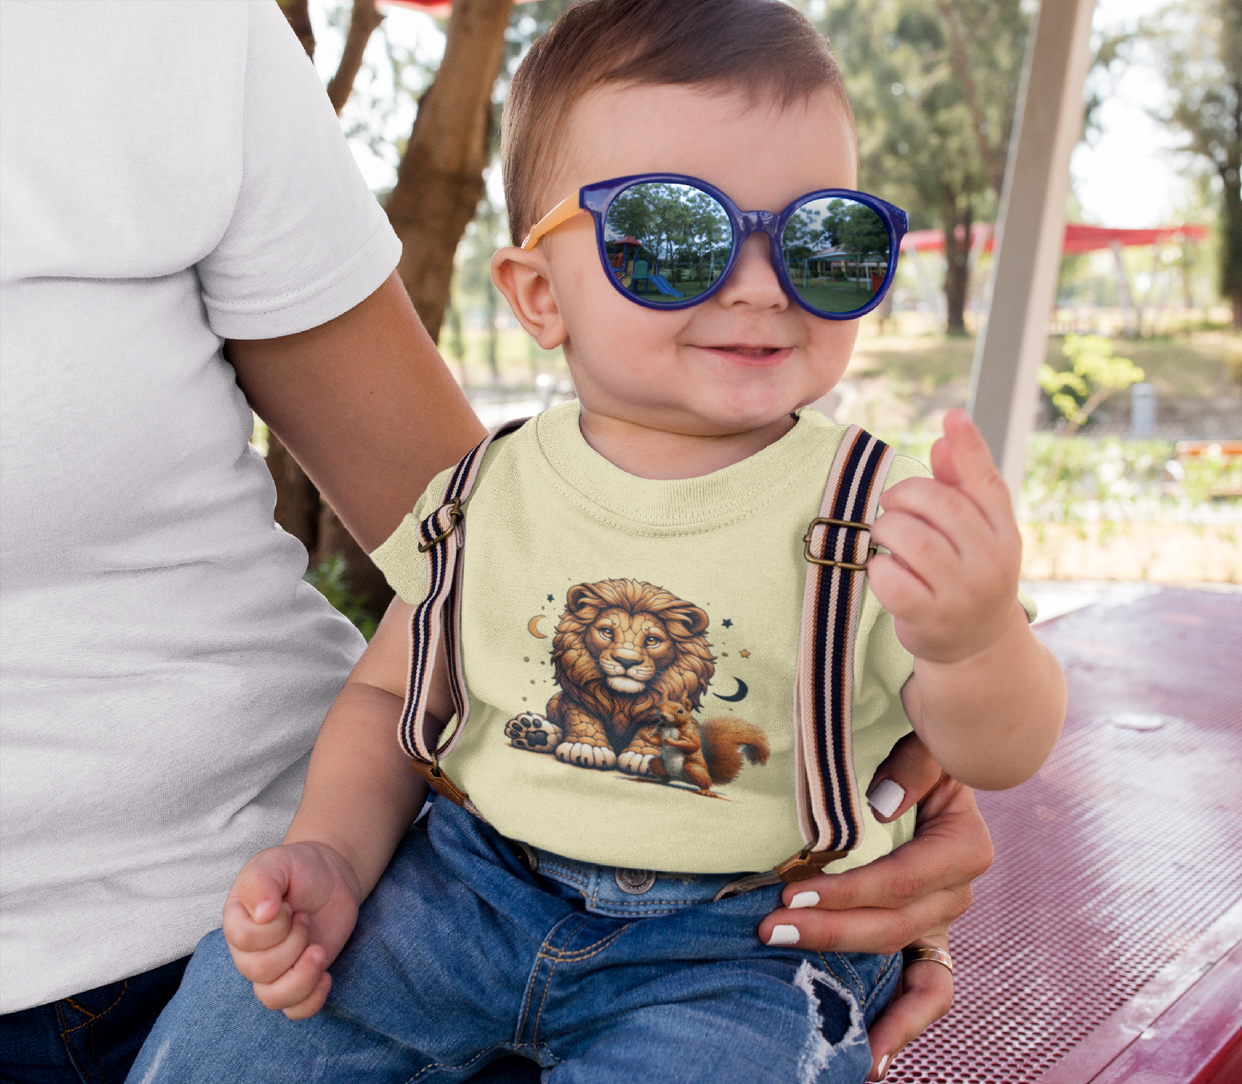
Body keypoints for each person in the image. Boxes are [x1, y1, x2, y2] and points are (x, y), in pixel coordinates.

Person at [0, 3, 999, 1081]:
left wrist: (969, 650)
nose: (757, 282)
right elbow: (395, 686)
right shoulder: (491, 493)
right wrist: (331, 848)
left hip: (731, 944)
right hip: (461, 896)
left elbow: (990, 749)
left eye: (823, 241)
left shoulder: (875, 505)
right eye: (671, 237)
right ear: (534, 293)